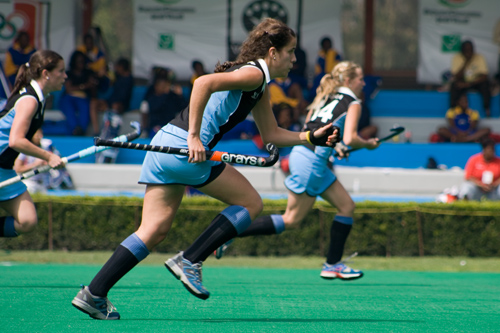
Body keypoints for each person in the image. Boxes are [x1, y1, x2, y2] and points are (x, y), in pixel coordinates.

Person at [71, 18, 338, 320]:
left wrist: (308, 136)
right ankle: (191, 259)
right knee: (251, 203)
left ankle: (94, 293)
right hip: (188, 150)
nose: (294, 60)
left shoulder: (258, 85)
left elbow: (272, 134)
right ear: (273, 53)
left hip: (166, 146)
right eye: (291, 52)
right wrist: (195, 137)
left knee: (153, 230)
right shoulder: (252, 74)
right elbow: (202, 83)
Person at [215, 61, 380, 281]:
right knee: (291, 219)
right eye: (360, 78)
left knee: (346, 206)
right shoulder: (354, 102)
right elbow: (351, 138)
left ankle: (333, 264)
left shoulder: (327, 96)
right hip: (312, 161)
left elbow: (314, 130)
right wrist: (368, 143)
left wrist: (337, 147)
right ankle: (225, 234)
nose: (363, 82)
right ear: (349, 81)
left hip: (305, 155)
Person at [0, 50, 66, 239]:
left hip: (4, 168)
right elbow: (16, 140)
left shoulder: (38, 99)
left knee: (27, 220)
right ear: (46, 73)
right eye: (61, 71)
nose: (65, 76)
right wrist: (49, 156)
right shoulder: (30, 100)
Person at [59, 51, 98, 136]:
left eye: (83, 61)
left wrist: (91, 85)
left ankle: (80, 131)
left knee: (85, 108)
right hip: (69, 98)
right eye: (79, 62)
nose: (81, 64)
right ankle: (74, 130)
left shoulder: (88, 73)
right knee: (68, 108)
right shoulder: (69, 73)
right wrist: (84, 86)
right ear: (74, 62)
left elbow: (93, 89)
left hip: (83, 99)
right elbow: (69, 89)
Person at [449, 40, 491, 117]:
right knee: (454, 85)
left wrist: (469, 84)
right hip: (462, 81)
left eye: (471, 50)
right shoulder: (456, 57)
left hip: (475, 82)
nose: (469, 52)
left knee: (486, 84)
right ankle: (453, 111)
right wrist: (467, 62)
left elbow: (484, 76)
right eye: (466, 50)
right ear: (462, 50)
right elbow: (457, 76)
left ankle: (487, 109)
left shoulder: (479, 57)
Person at [309, 36, 342, 102]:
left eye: (328, 44)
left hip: (333, 75)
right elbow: (317, 69)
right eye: (325, 44)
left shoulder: (336, 55)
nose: (327, 46)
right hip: (321, 76)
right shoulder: (320, 56)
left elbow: (338, 68)